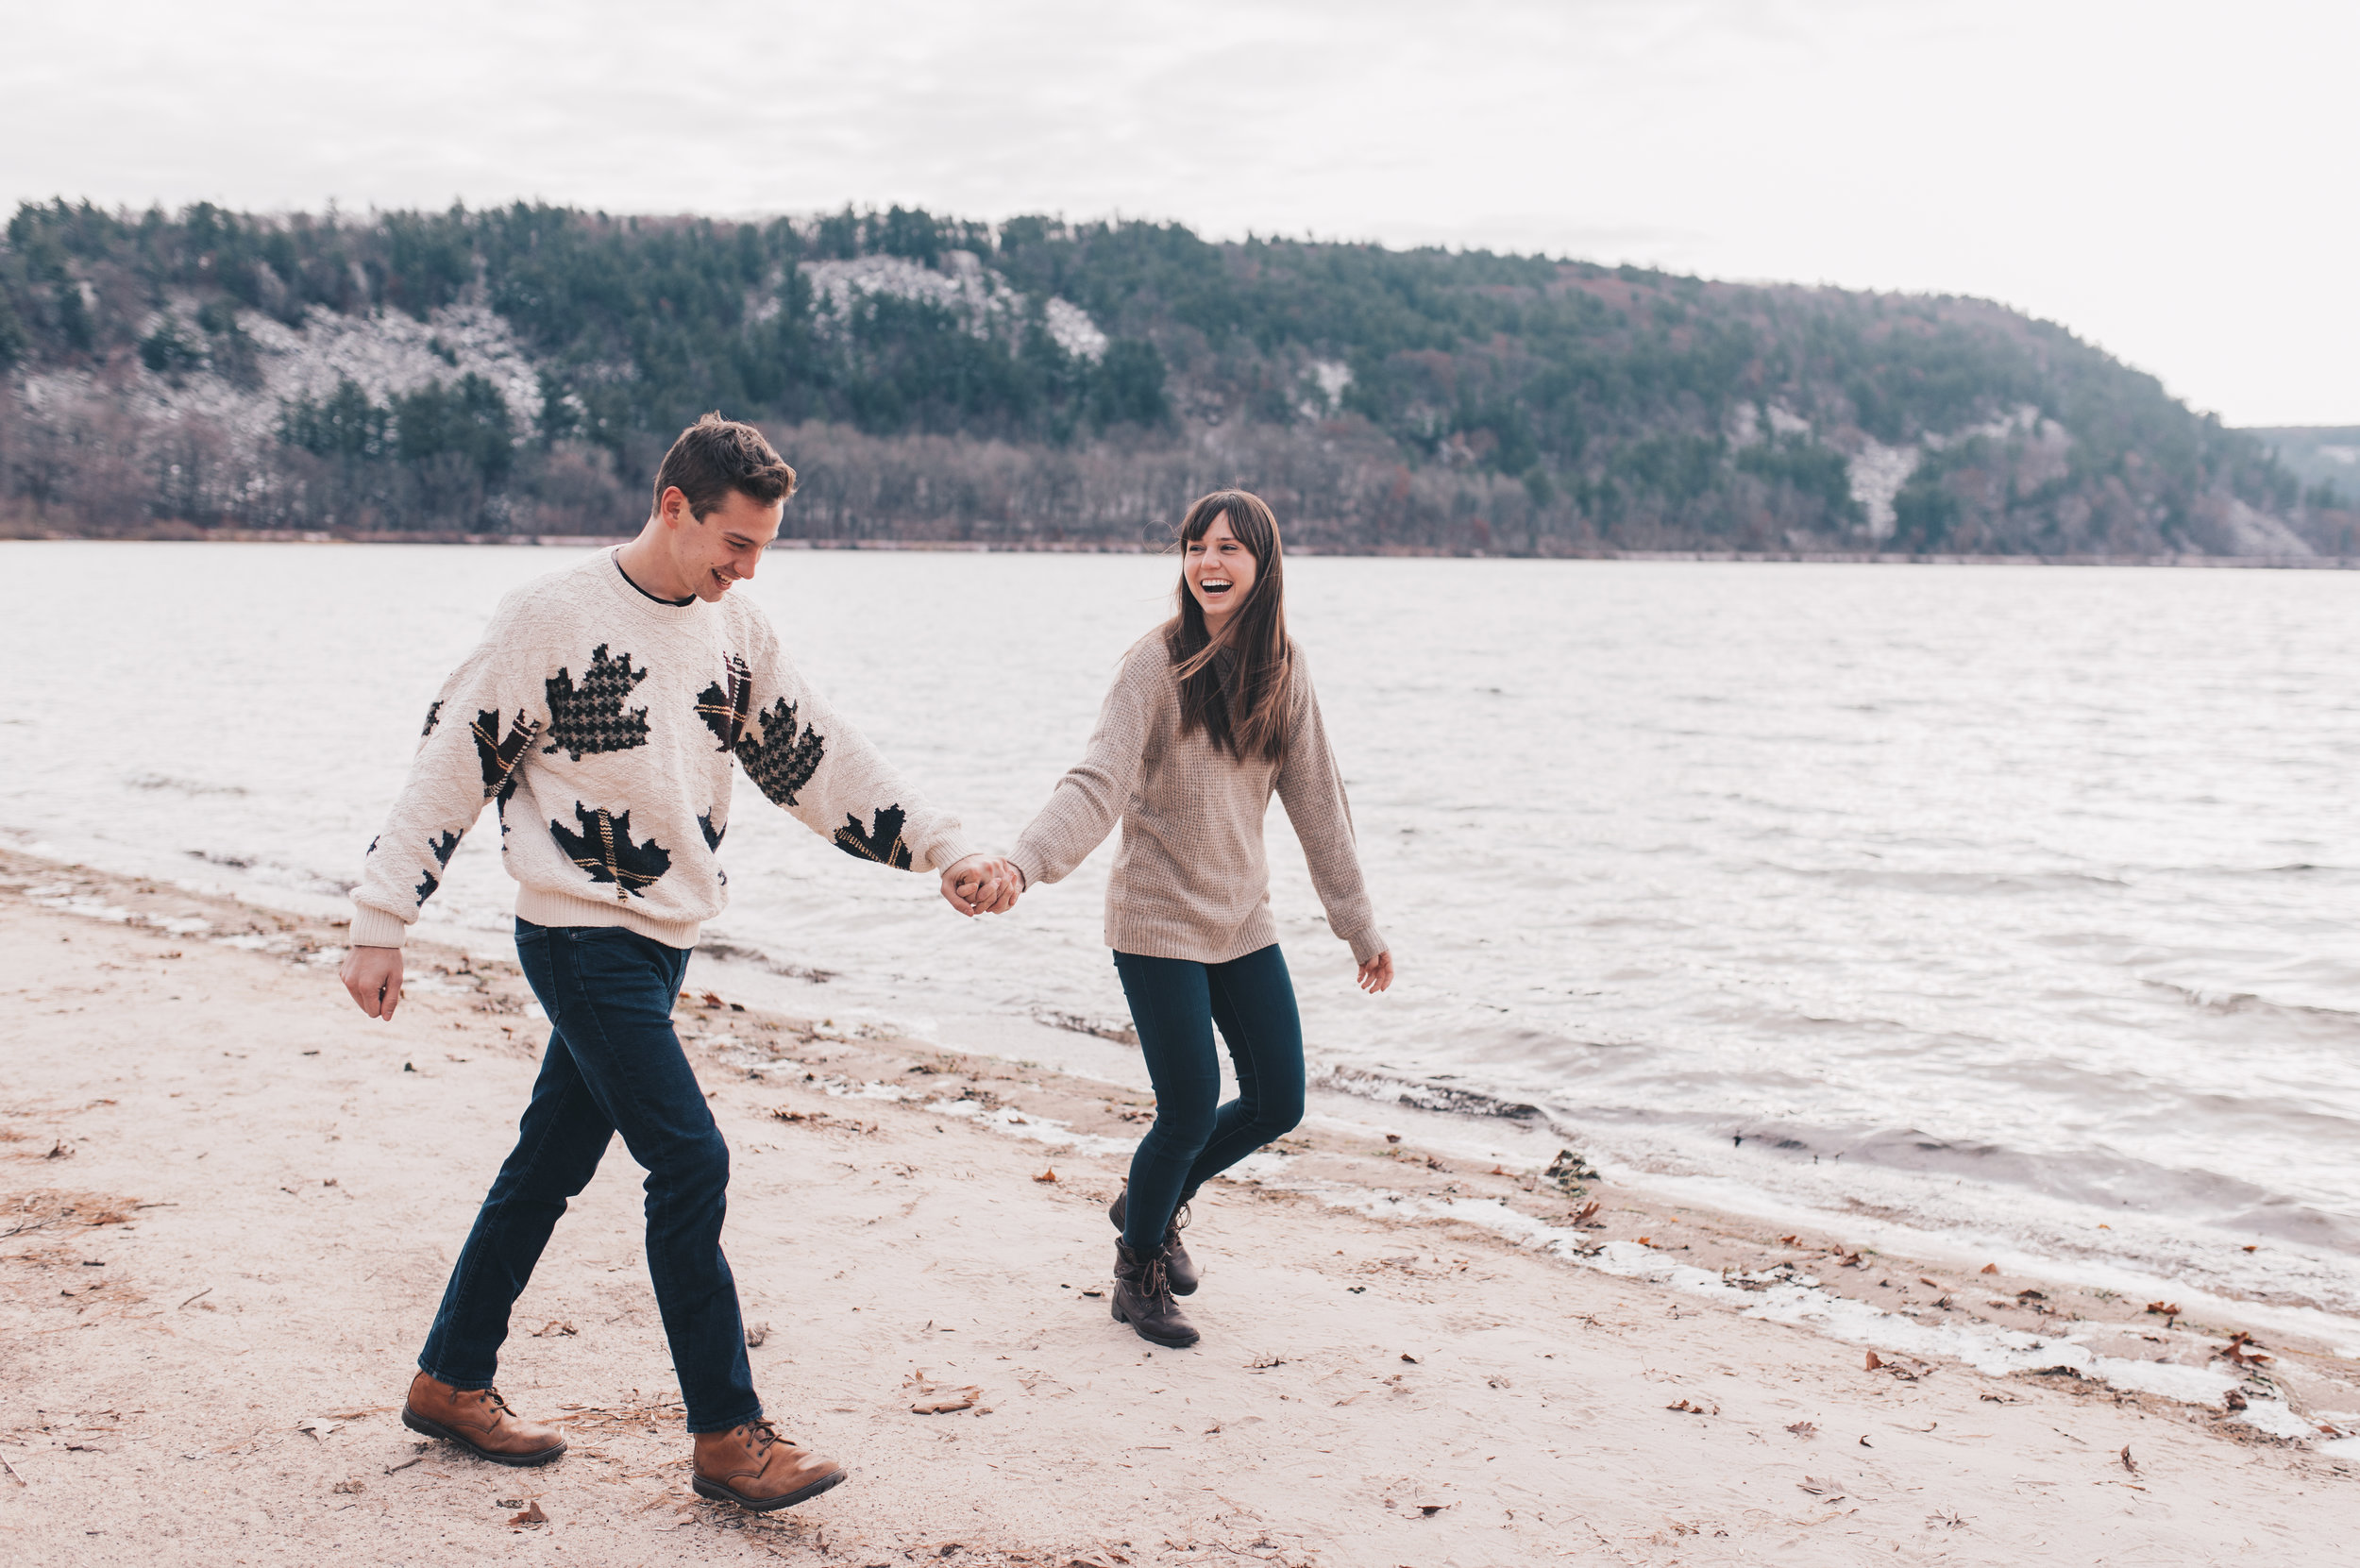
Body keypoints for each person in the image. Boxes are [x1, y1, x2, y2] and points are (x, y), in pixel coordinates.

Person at [337, 413, 1018, 1511]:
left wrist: (942, 846)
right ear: (674, 506)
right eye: (734, 542)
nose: (746, 567)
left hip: (662, 943)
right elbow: (450, 761)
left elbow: (821, 755)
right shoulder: (551, 617)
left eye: (762, 548)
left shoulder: (734, 631)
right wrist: (383, 918)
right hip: (576, 931)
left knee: (547, 1165)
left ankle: (450, 1377)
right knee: (691, 1161)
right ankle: (726, 1434)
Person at [1000, 489, 1392, 1349]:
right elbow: (1096, 779)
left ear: (1263, 564)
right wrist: (1024, 863)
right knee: (1188, 1108)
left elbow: (1320, 805)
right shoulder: (1154, 664)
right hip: (1156, 921)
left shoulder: (1282, 670)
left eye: (1228, 548)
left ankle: (1153, 1194)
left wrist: (1358, 925)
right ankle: (1136, 1268)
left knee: (1279, 1099)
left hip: (1243, 921)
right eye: (1194, 546)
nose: (1208, 562)